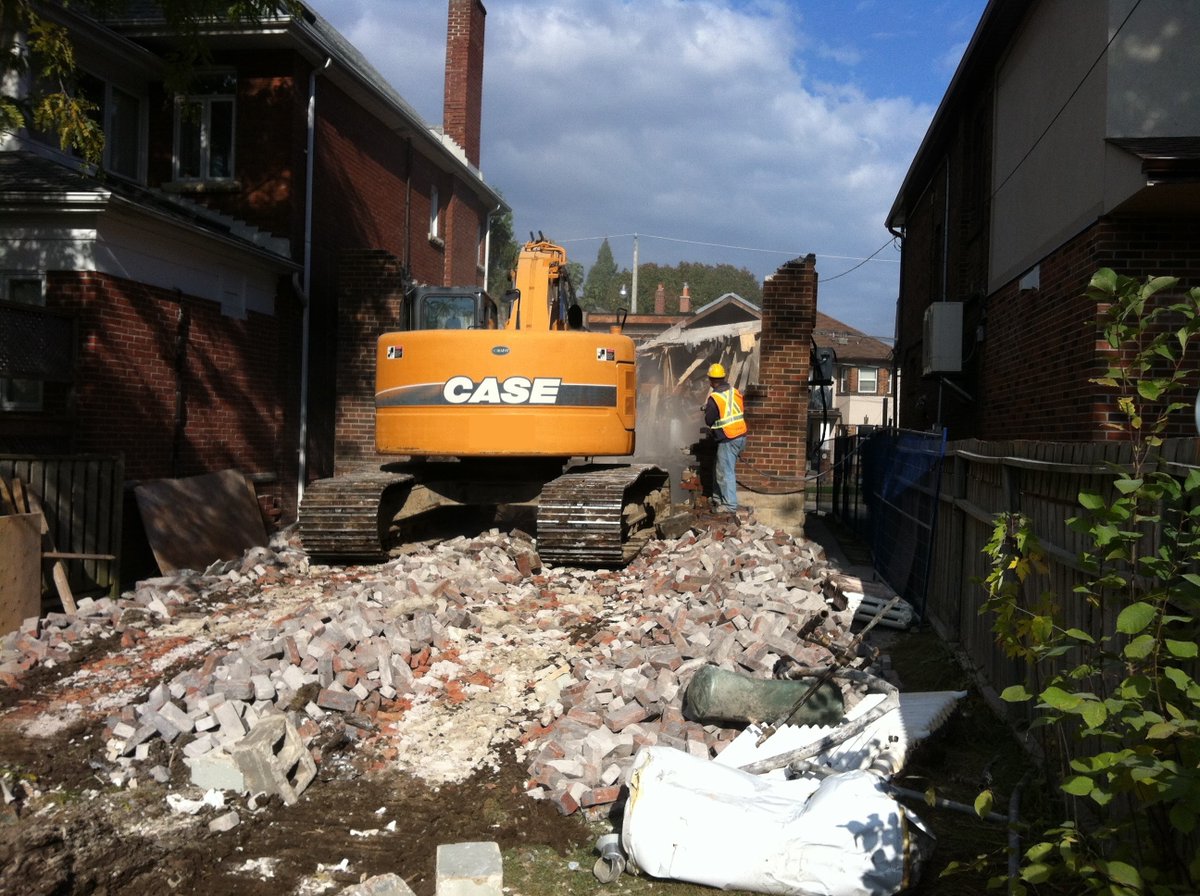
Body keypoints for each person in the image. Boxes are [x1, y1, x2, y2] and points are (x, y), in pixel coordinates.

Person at [703, 362, 748, 514]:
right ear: (724, 377)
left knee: (726, 471)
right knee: (720, 468)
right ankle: (718, 499)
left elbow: (709, 420)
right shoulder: (734, 391)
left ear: (710, 380)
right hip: (740, 435)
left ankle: (729, 506)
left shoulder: (714, 397)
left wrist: (708, 410)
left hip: (729, 437)